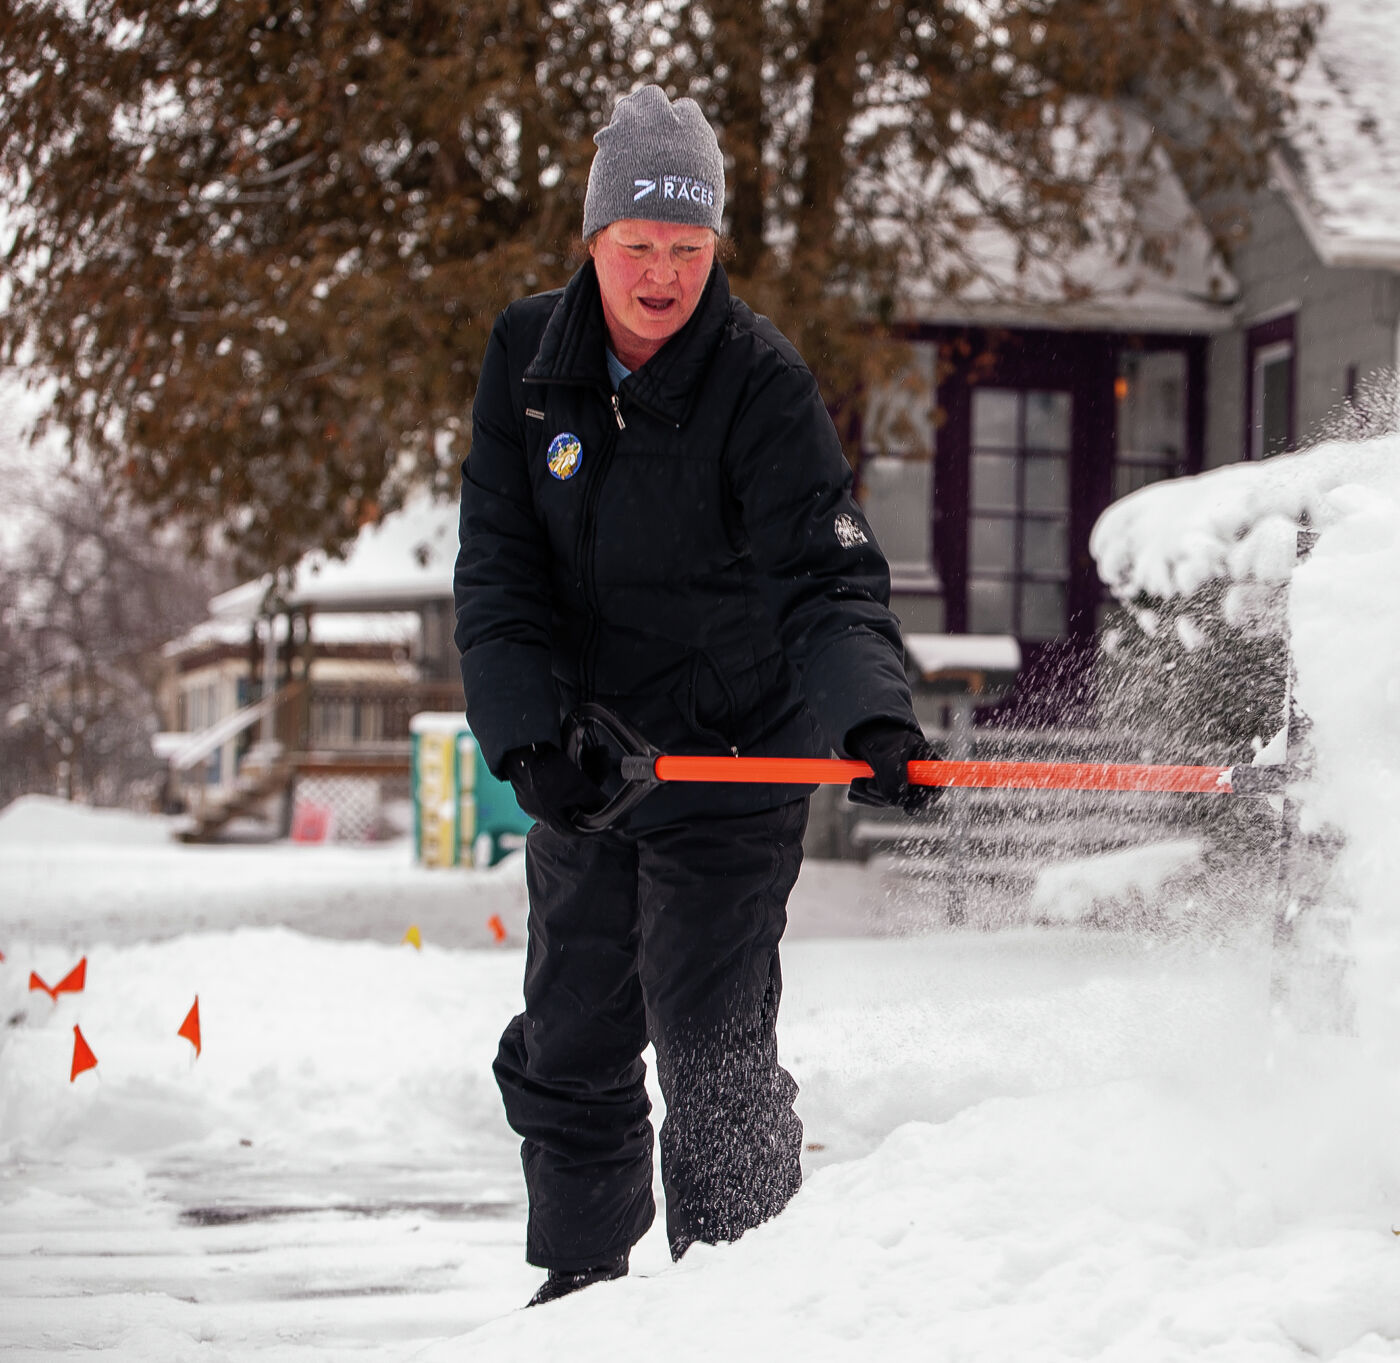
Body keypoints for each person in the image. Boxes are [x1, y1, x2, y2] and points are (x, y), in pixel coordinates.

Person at [453, 86, 937, 1308]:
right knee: (571, 1036)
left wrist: (870, 715)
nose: (662, 273)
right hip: (592, 761)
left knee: (711, 1047)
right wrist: (526, 741)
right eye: (637, 246)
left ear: (713, 247)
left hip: (729, 762)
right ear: (591, 241)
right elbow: (498, 570)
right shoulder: (527, 360)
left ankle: (736, 1300)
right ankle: (579, 1284)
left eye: (686, 248)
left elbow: (825, 578)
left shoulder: (758, 383)